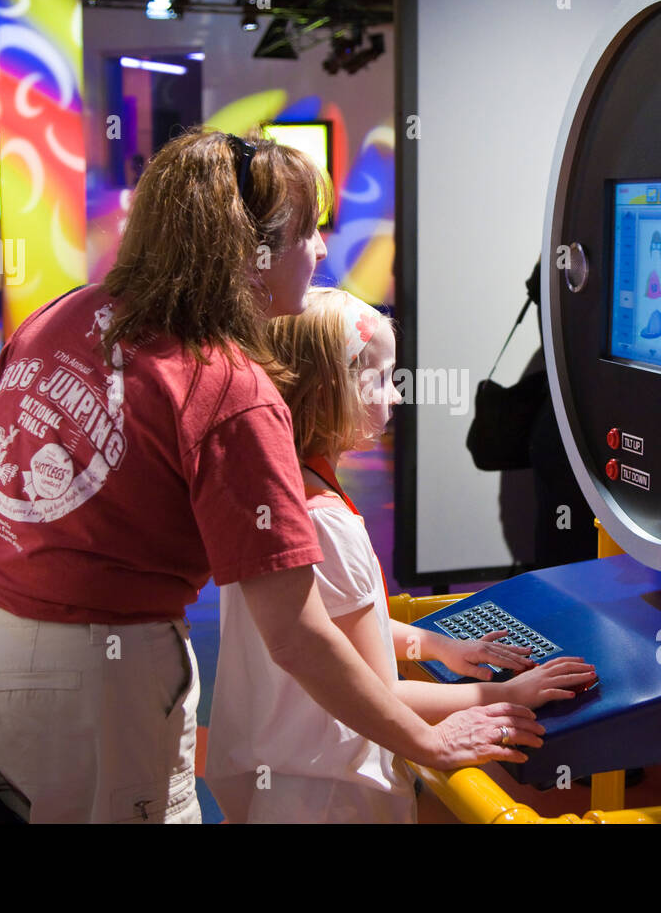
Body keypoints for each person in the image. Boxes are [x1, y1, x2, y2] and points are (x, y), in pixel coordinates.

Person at [0, 128, 541, 824]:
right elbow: (297, 636)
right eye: (307, 231)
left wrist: (12, 604)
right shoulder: (227, 385)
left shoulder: (67, 313)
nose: (322, 251)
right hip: (96, 681)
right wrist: (426, 739)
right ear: (251, 252)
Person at [206, 288, 597, 822]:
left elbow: (328, 625)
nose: (396, 395)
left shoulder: (273, 499)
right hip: (335, 795)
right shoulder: (325, 522)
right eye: (383, 378)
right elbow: (383, 694)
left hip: (283, 786)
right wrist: (512, 694)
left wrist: (434, 644)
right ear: (329, 389)